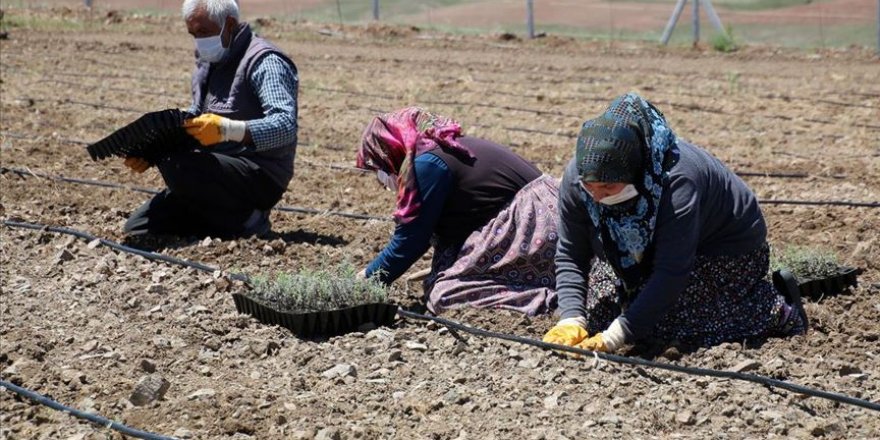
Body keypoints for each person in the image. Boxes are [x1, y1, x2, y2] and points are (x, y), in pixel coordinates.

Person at [543, 93, 807, 353]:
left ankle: (775, 310)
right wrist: (571, 319)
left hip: (721, 251)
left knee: (661, 328)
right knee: (597, 315)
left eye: (608, 187)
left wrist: (619, 334)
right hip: (644, 254)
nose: (597, 197)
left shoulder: (677, 181)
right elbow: (571, 253)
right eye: (590, 187)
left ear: (636, 171)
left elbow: (672, 270)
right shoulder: (577, 178)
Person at [356, 107, 559, 316]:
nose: (380, 181)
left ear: (390, 151)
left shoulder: (426, 165)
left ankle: (554, 302)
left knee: (446, 295)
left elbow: (411, 239)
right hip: (551, 216)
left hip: (534, 225)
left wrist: (365, 280)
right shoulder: (445, 150)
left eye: (378, 169)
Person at [123, 0, 298, 238]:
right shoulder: (209, 63)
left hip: (259, 172)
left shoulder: (265, 61)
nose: (199, 41)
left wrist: (228, 130)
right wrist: (152, 150)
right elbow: (196, 116)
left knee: (178, 163)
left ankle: (249, 220)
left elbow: (285, 126)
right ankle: (220, 221)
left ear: (229, 24)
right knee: (139, 228)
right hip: (215, 169)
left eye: (204, 32)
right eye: (193, 34)